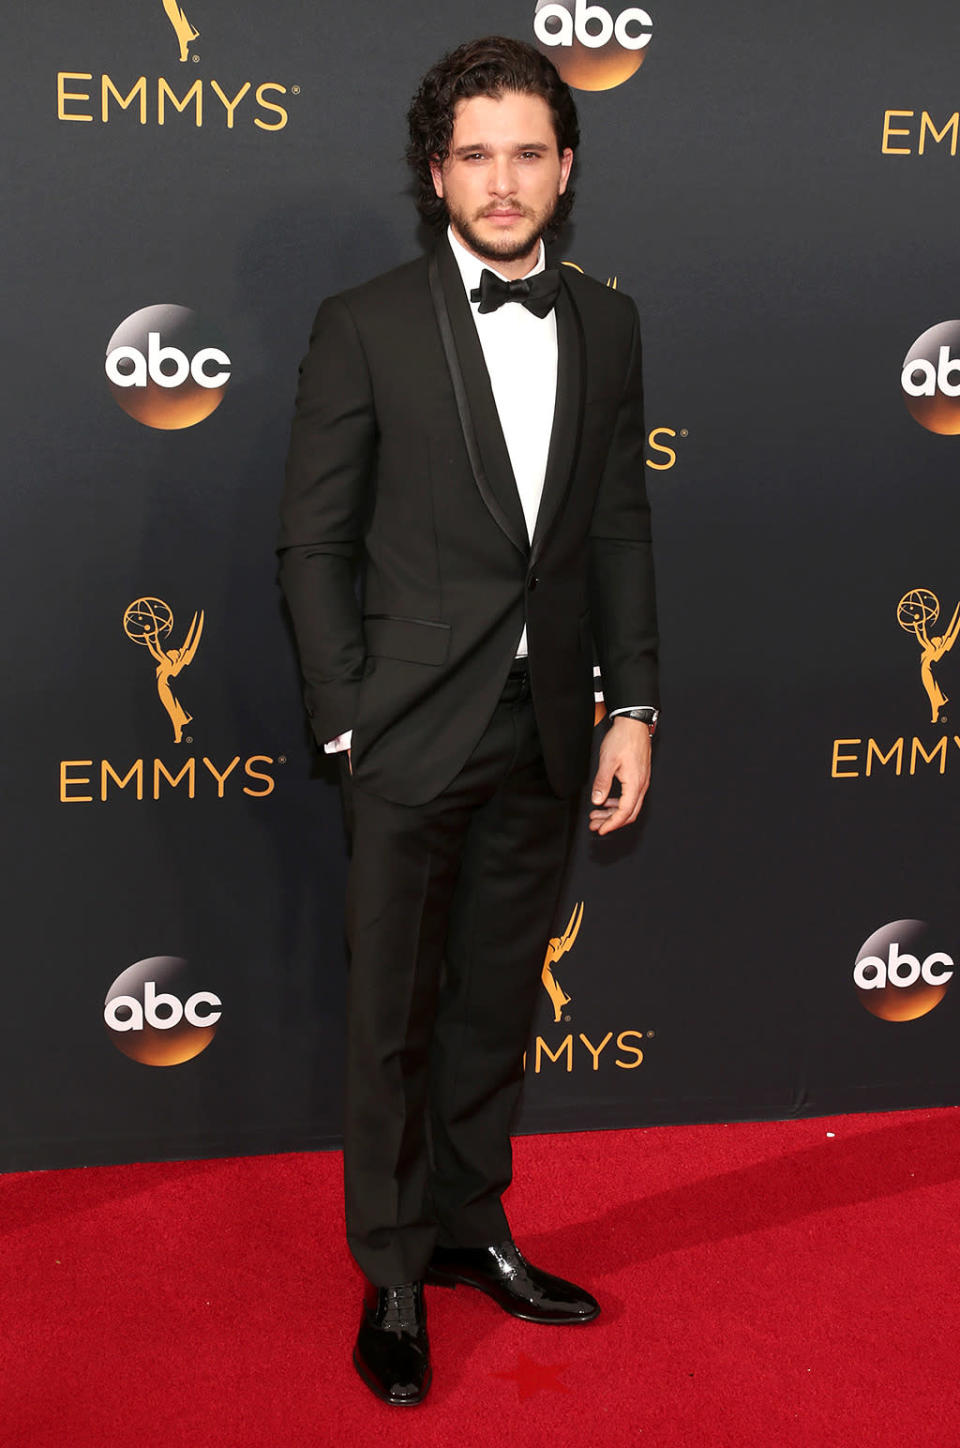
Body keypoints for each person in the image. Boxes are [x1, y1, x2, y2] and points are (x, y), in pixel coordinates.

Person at [277, 35, 659, 1406]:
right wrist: (343, 721)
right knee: (392, 1009)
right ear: (436, 174)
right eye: (476, 154)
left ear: (566, 167)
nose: (504, 182)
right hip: (406, 732)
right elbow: (312, 546)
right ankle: (389, 1268)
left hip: (551, 726)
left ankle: (466, 1224)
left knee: (496, 1000)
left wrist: (635, 703)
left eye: (530, 152)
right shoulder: (366, 322)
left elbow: (618, 528)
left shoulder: (608, 324)